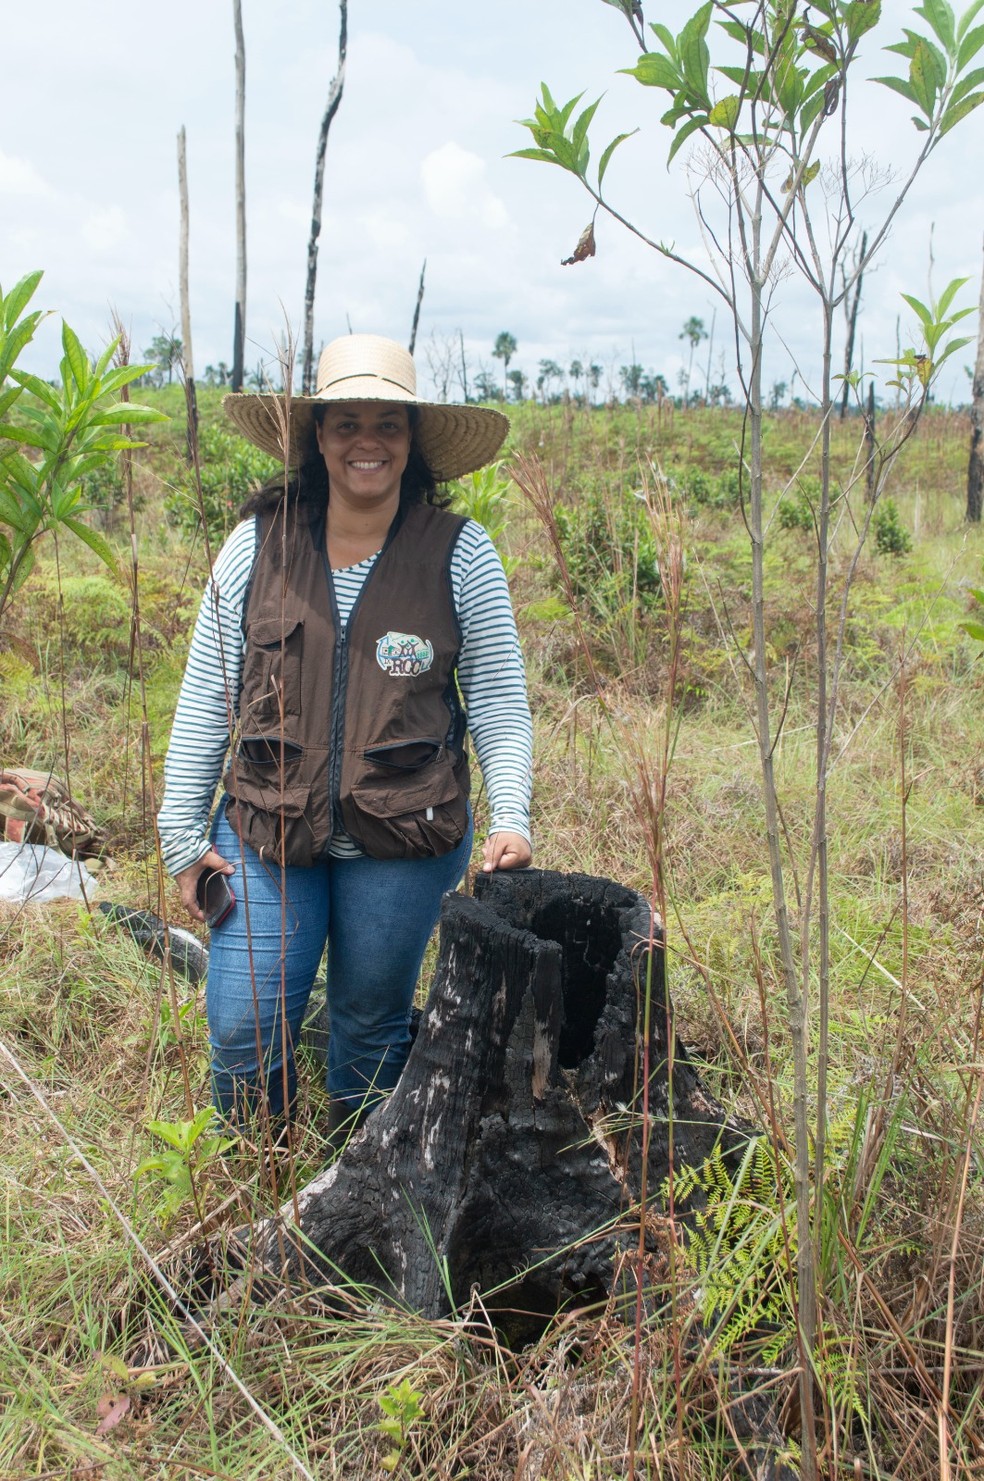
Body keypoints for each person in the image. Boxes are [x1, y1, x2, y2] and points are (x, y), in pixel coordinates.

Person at [157, 333, 533, 1146]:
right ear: (318, 436)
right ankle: (252, 1176)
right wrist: (181, 836)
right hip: (267, 827)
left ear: (412, 440)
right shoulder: (259, 543)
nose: (369, 442)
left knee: (369, 1022)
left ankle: (352, 1186)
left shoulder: (458, 551)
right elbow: (207, 693)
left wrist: (512, 815)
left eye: (388, 424)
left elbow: (500, 698)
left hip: (406, 838)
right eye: (348, 423)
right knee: (245, 1023)